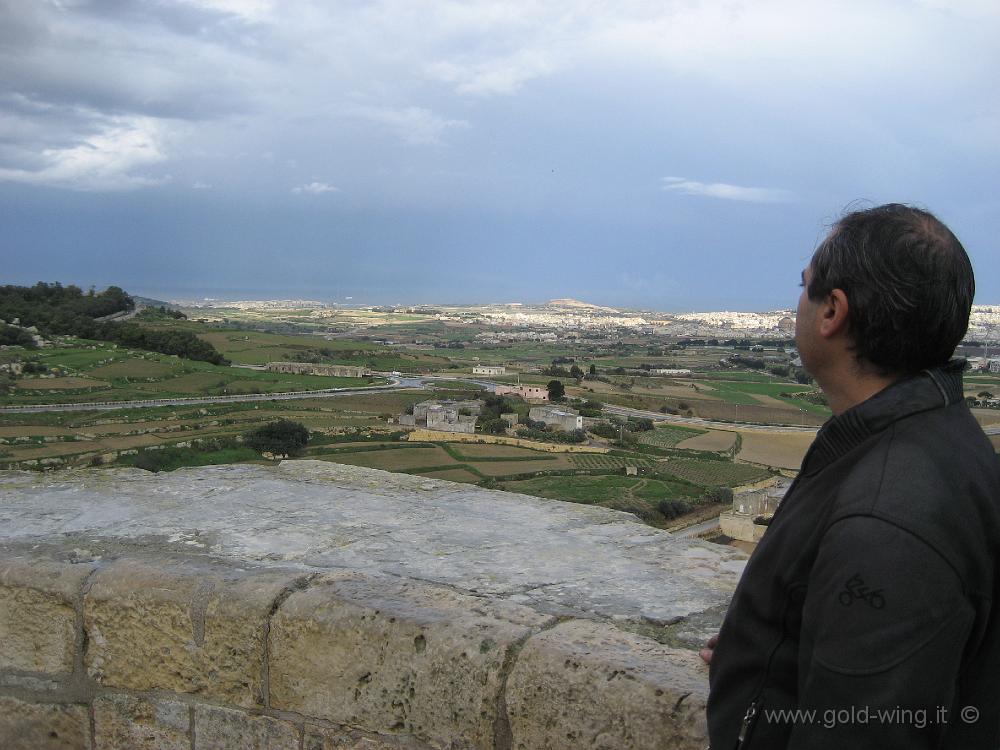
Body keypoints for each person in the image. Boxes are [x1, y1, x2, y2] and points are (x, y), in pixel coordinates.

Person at [703, 203, 1000, 749]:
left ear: (832, 312)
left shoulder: (886, 519)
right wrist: (763, 646)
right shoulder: (941, 437)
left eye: (805, 286)